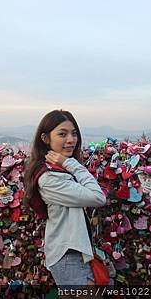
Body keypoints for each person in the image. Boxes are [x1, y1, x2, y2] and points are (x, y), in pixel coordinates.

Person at [23, 109, 106, 286]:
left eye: (74, 134)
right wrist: (70, 163)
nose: (71, 140)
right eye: (62, 134)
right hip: (68, 256)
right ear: (45, 139)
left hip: (72, 253)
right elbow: (97, 197)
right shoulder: (50, 177)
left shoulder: (57, 170)